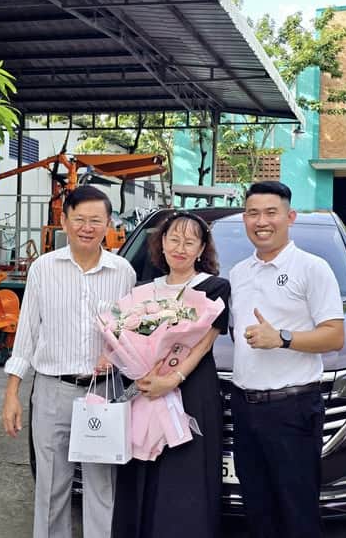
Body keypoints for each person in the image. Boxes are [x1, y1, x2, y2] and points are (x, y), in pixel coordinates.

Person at [2, 185, 136, 538]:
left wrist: (115, 354)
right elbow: (27, 333)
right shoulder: (43, 269)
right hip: (52, 392)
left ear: (108, 223)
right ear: (64, 221)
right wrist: (12, 393)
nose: (87, 228)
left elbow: (129, 331)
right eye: (79, 219)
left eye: (96, 220)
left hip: (102, 393)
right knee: (50, 487)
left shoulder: (123, 272)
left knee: (101, 486)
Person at [229, 181, 345, 538]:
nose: (261, 221)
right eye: (252, 213)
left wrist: (282, 338)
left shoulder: (312, 268)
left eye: (271, 212)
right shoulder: (238, 273)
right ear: (244, 219)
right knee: (257, 511)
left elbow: (335, 336)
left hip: (291, 409)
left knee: (297, 514)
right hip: (243, 406)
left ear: (289, 217)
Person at [112, 211, 230, 538]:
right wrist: (137, 369)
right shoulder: (143, 292)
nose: (180, 248)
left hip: (191, 388)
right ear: (162, 243)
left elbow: (203, 344)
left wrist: (172, 380)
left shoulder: (214, 288)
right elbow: (125, 336)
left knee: (185, 472)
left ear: (201, 248)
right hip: (146, 386)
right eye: (174, 239)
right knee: (144, 466)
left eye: (189, 242)